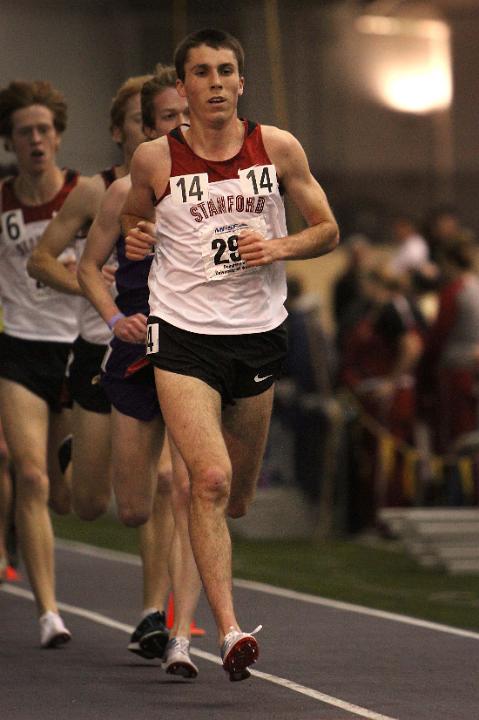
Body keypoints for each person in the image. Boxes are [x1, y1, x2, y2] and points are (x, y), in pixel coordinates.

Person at [122, 28, 339, 680]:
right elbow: (136, 221)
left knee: (232, 496)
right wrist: (138, 237)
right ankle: (226, 630)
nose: (214, 83)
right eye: (201, 73)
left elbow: (326, 228)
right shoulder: (154, 160)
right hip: (183, 335)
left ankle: (190, 619)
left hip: (257, 335)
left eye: (225, 71)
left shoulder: (275, 148)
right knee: (205, 479)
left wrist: (278, 248)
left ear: (240, 82)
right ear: (182, 87)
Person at [78, 67, 202, 678]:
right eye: (169, 118)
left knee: (181, 487)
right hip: (133, 348)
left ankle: (180, 636)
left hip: (191, 352)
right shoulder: (123, 191)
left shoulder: (218, 188)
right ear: (148, 131)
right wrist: (112, 316)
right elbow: (85, 267)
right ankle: (83, 453)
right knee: (131, 507)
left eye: (188, 114)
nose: (183, 125)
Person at [0, 79, 81, 646]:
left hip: (80, 353)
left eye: (44, 131)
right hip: (20, 350)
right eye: (24, 132)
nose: (35, 140)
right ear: (10, 141)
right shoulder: (1, 202)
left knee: (70, 495)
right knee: (28, 476)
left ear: (57, 137)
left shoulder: (85, 196)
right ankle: (49, 612)